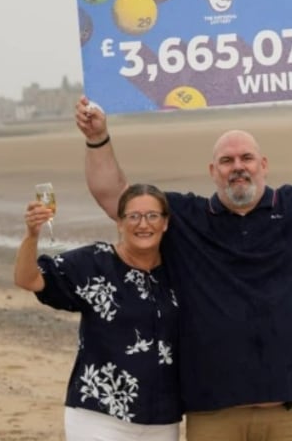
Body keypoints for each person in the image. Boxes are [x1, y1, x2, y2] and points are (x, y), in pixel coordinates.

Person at [74, 74, 292, 441]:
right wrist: (97, 138)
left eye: (246, 158)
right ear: (213, 171)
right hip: (214, 412)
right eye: (226, 160)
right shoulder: (181, 218)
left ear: (264, 165)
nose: (237, 166)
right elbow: (115, 197)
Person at [13, 184, 181, 441]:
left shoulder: (179, 271)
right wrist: (31, 235)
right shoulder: (94, 263)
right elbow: (29, 279)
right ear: (119, 223)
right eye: (133, 216)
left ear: (165, 223)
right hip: (99, 413)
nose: (143, 224)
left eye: (152, 216)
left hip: (162, 416)